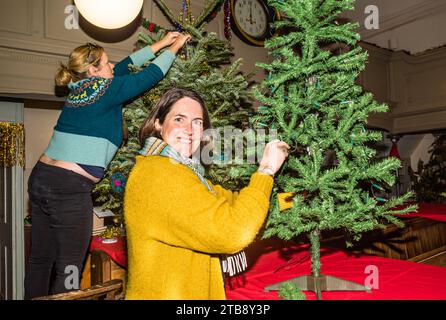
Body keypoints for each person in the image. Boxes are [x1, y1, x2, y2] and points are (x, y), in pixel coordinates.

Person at [25, 32, 191, 299]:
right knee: (70, 264)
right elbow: (148, 76)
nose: (113, 66)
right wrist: (174, 47)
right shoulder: (107, 90)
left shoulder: (79, 88)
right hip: (69, 187)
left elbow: (124, 65)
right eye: (106, 63)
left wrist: (159, 43)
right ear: (92, 70)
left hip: (41, 179)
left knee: (41, 260)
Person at [124, 87, 289, 299]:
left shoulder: (183, 172)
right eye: (179, 119)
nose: (190, 130)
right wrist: (266, 170)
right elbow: (232, 232)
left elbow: (235, 202)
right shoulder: (158, 174)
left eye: (197, 122)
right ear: (158, 123)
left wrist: (293, 198)